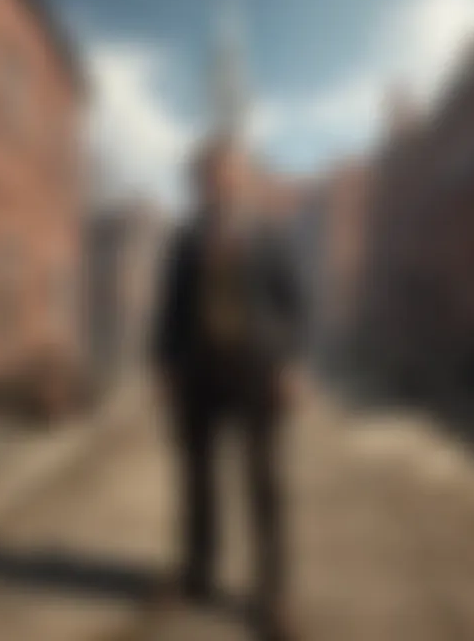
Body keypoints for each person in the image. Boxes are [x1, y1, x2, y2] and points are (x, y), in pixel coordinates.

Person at [153, 134, 303, 640]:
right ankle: (199, 575)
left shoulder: (270, 234)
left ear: (242, 179)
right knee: (198, 482)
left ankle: (273, 594)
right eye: (207, 175)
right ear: (198, 183)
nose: (218, 182)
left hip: (257, 372)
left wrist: (291, 367)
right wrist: (165, 369)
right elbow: (169, 310)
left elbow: (295, 303)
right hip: (198, 375)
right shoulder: (185, 238)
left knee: (264, 485)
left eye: (226, 173)